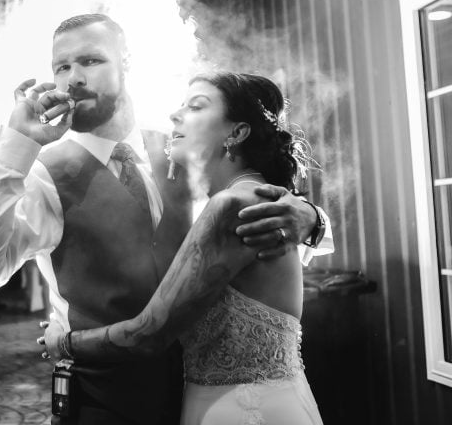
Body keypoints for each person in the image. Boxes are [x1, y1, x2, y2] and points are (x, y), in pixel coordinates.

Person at [0, 14, 332, 424]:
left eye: (91, 61)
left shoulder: (183, 147)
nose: (73, 78)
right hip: (105, 405)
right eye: (62, 67)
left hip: (198, 399)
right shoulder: (41, 173)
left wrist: (312, 219)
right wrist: (15, 146)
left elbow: (249, 207)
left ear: (127, 64)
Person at [43, 72, 325, 425]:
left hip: (240, 411)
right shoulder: (250, 195)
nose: (175, 115)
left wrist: (63, 343)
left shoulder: (234, 205)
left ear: (236, 133)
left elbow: (148, 335)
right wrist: (316, 217)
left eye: (196, 106)